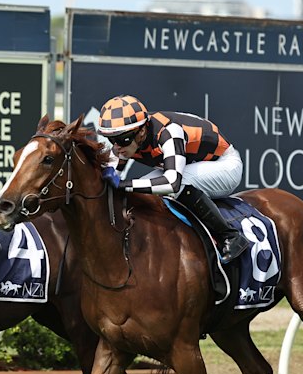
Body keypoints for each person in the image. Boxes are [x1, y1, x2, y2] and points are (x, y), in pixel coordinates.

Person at [97, 94, 249, 264]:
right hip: (192, 165)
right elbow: (108, 176)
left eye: (122, 139)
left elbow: (172, 182)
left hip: (225, 164)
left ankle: (230, 236)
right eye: (112, 140)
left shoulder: (168, 132)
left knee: (177, 183)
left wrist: (125, 184)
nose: (117, 147)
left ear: (141, 131)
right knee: (144, 192)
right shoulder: (129, 140)